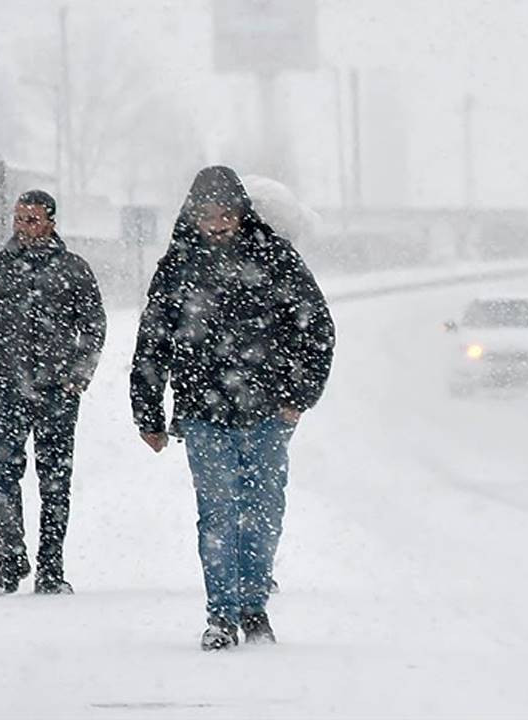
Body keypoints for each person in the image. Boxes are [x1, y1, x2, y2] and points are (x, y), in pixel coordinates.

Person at [130, 167, 334, 650]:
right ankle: (221, 615)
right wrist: (148, 411)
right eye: (209, 215)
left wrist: (297, 396)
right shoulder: (178, 266)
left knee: (262, 512)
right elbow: (153, 340)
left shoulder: (276, 259)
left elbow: (316, 330)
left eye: (226, 215)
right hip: (204, 412)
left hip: (266, 412)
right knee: (218, 513)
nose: (218, 225)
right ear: (193, 215)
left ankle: (253, 605)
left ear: (242, 214)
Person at [0, 190, 106, 596]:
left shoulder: (73, 270)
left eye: (32, 219)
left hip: (58, 391)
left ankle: (51, 568)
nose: (23, 227)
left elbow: (93, 326)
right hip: (7, 389)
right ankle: (10, 560)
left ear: (51, 222)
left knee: (55, 480)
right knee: (4, 475)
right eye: (19, 218)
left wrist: (78, 376)